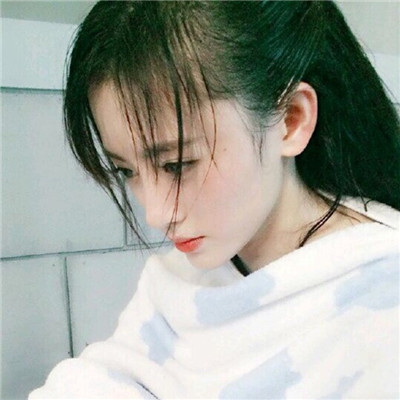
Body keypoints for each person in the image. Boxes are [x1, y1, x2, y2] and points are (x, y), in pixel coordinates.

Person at [30, 1, 399, 398]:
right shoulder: (173, 285)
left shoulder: (384, 296)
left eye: (176, 164)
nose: (155, 214)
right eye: (126, 171)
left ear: (291, 120)